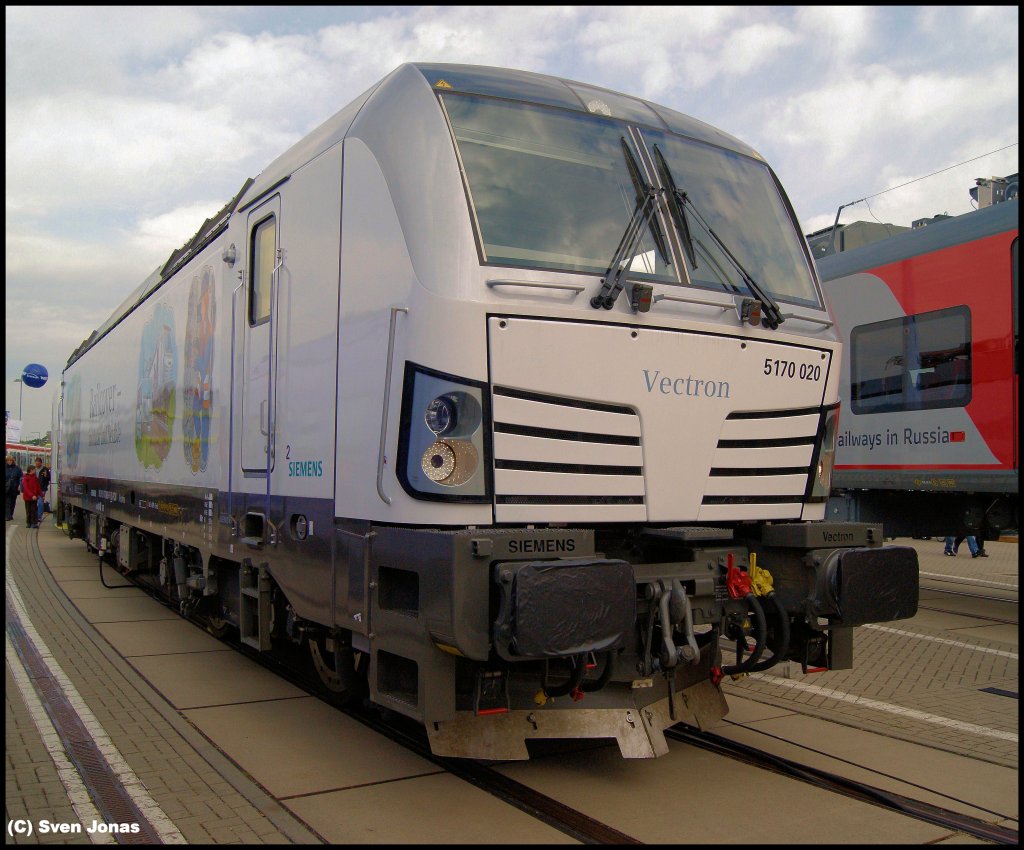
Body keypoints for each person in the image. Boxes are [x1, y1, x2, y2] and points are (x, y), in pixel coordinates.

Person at [20, 464, 43, 528]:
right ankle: (28, 522)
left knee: (34, 510)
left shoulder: (35, 478)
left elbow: (38, 487)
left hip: (34, 497)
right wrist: (32, 495)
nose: (35, 471)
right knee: (28, 511)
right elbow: (26, 489)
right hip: (28, 497)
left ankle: (33, 523)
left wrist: (41, 495)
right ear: (31, 470)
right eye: (34, 470)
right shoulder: (25, 478)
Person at [5, 454, 22, 521]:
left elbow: (21, 477)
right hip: (6, 487)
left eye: (10, 460)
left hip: (14, 487)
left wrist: (20, 485)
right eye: (8, 460)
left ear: (13, 461)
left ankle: (10, 514)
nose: (9, 462)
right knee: (7, 502)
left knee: (13, 502)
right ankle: (7, 516)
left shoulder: (17, 468)